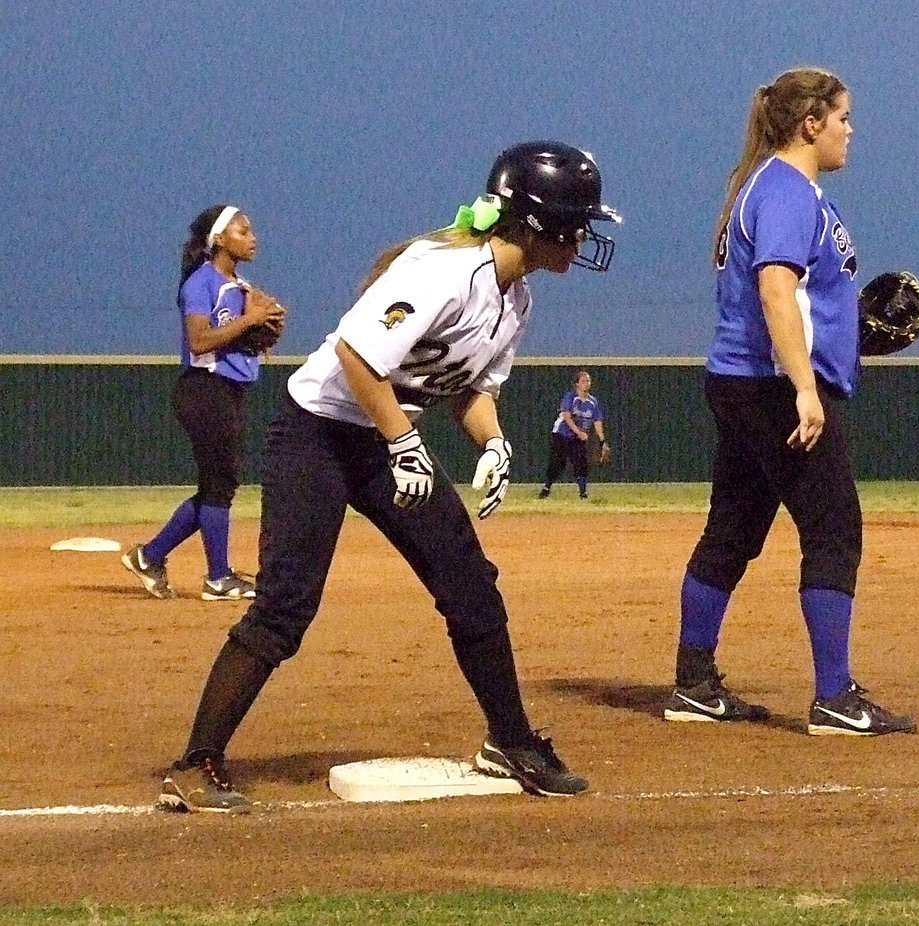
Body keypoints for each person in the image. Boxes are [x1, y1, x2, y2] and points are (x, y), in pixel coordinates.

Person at [155, 141, 621, 812]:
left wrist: (493, 445)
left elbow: (466, 391)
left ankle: (511, 741)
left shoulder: (514, 300)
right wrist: (404, 442)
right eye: (579, 220)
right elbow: (355, 357)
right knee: (286, 607)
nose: (586, 235)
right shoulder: (443, 272)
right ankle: (195, 763)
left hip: (382, 439)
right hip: (316, 432)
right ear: (538, 223)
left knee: (470, 586)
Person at [662, 67, 916, 736]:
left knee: (735, 528)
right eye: (841, 117)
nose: (849, 129)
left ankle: (693, 683)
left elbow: (797, 299)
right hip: (774, 387)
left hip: (747, 381)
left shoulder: (776, 189)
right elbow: (776, 290)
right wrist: (806, 387)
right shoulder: (784, 191)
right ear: (811, 123)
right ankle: (835, 696)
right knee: (834, 529)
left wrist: (846, 334)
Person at [122, 205, 286, 601]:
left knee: (218, 485)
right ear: (219, 240)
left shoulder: (241, 286)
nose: (253, 238)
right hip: (204, 390)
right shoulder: (201, 283)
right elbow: (198, 341)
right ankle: (217, 577)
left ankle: (151, 556)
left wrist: (264, 331)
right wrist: (248, 322)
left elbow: (241, 336)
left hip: (227, 392)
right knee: (220, 486)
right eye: (243, 231)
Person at [538, 369, 610, 499]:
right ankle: (546, 487)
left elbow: (597, 421)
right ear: (577, 384)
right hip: (561, 434)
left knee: (581, 463)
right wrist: (579, 432)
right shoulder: (570, 397)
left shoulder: (593, 402)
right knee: (558, 463)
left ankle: (583, 492)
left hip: (577, 437)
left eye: (588, 381)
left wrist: (602, 441)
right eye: (583, 381)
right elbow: (567, 417)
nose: (586, 383)